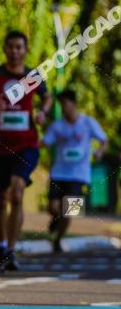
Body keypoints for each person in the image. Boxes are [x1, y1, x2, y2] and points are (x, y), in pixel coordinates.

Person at [0, 31, 52, 272]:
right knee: (0, 198)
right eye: (11, 47)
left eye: (19, 47)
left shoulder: (32, 76)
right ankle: (2, 244)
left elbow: (47, 98)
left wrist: (43, 112)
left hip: (26, 144)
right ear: (4, 49)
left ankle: (11, 250)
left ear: (26, 51)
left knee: (17, 192)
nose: (15, 51)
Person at [40, 89, 107, 252]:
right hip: (59, 173)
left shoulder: (88, 123)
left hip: (79, 174)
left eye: (66, 104)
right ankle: (55, 221)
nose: (63, 108)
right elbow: (45, 142)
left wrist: (99, 152)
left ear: (74, 104)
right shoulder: (57, 125)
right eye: (61, 104)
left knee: (70, 211)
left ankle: (58, 239)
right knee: (53, 207)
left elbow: (104, 140)